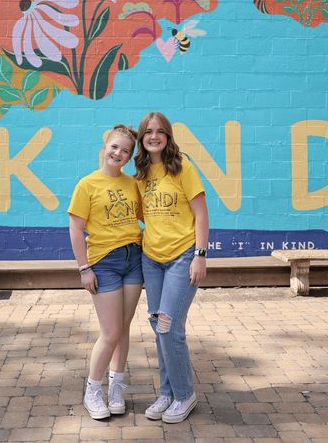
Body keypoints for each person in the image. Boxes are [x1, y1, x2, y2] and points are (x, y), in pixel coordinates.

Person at [134, 112, 209, 424]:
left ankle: (184, 394)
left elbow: (201, 213)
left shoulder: (182, 166)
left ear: (168, 136)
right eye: (148, 132)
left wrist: (200, 255)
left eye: (159, 131)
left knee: (168, 327)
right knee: (158, 328)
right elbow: (139, 214)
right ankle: (166, 393)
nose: (154, 136)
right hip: (151, 259)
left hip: (182, 256)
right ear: (141, 138)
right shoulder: (139, 174)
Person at [68, 125, 143, 420]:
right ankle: (92, 390)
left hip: (133, 259)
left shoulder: (132, 184)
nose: (119, 154)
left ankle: (116, 388)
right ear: (104, 146)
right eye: (115, 147)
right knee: (110, 332)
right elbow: (76, 228)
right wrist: (84, 268)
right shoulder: (87, 184)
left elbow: (144, 216)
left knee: (123, 328)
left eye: (125, 151)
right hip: (104, 262)